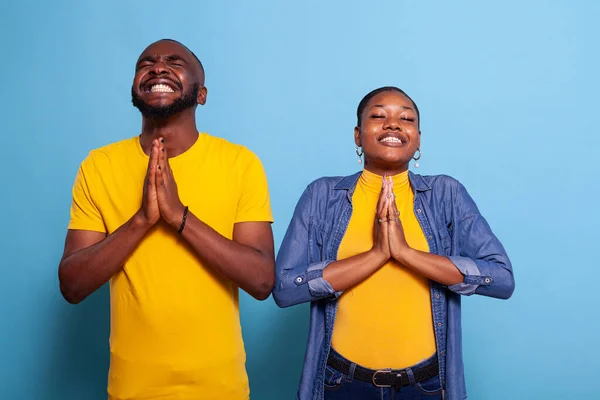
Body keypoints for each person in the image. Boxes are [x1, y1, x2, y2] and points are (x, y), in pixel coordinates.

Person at [58, 39, 275, 400]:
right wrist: (143, 219)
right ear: (134, 88)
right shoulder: (98, 166)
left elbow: (262, 280)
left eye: (174, 62)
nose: (158, 68)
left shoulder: (240, 164)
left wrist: (178, 216)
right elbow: (72, 285)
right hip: (132, 389)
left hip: (220, 388)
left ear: (201, 94)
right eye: (147, 63)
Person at [273, 86, 515, 400]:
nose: (393, 124)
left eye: (406, 118)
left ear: (417, 139)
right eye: (378, 116)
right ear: (358, 136)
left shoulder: (446, 195)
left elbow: (501, 279)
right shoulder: (322, 196)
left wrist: (405, 253)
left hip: (426, 386)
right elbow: (285, 288)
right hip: (341, 383)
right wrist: (377, 254)